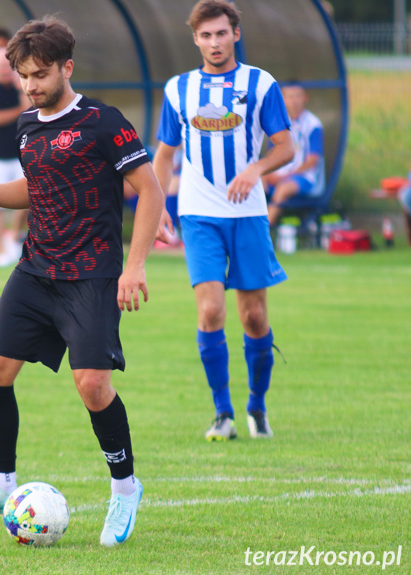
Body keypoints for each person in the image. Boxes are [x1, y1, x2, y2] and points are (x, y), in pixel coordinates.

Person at [0, 16, 166, 547]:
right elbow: (34, 188)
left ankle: (126, 489)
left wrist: (134, 267)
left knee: (92, 385)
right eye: (23, 76)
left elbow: (149, 192)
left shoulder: (104, 122)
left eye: (40, 74)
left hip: (92, 274)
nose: (31, 85)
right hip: (36, 268)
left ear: (67, 67)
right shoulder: (26, 125)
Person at [153, 0, 295, 441]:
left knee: (254, 318)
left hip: (248, 213)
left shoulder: (260, 83)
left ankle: (257, 405)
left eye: (221, 33)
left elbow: (286, 147)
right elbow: (164, 155)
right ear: (195, 39)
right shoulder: (178, 89)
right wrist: (158, 207)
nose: (214, 42)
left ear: (236, 33)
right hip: (198, 214)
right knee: (211, 310)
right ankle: (222, 413)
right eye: (205, 35)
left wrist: (255, 170)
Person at [0, 47, 31, 266]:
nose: (5, 70)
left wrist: (20, 92)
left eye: (8, 66)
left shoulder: (21, 88)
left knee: (29, 199)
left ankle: (13, 236)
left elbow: (30, 109)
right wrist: (17, 111)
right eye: (1, 66)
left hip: (20, 155)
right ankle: (1, 250)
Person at [263, 84, 325, 226]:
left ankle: (264, 230)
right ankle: (246, 226)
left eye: (298, 96)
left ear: (305, 98)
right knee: (255, 179)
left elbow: (312, 161)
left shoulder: (313, 124)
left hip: (303, 178)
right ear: (283, 100)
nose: (294, 100)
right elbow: (272, 154)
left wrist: (285, 176)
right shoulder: (280, 123)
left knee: (282, 188)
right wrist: (266, 173)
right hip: (280, 174)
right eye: (290, 97)